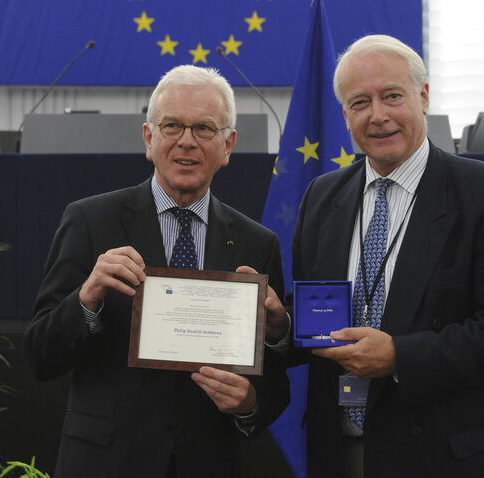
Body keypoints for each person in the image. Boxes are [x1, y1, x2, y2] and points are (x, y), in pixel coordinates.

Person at [287, 35, 484, 477]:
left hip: (445, 457)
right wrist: (276, 324)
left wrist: (400, 357)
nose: (378, 115)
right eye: (360, 102)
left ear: (423, 97)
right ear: (345, 116)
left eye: (392, 96)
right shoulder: (321, 197)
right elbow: (316, 314)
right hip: (339, 453)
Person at [23, 65, 290, 478]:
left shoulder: (258, 244)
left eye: (204, 128)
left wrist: (251, 401)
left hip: (209, 463)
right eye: (172, 126)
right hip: (104, 464)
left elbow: (275, 382)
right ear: (149, 139)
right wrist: (87, 298)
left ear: (228, 145)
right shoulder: (90, 221)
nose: (187, 141)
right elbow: (40, 355)